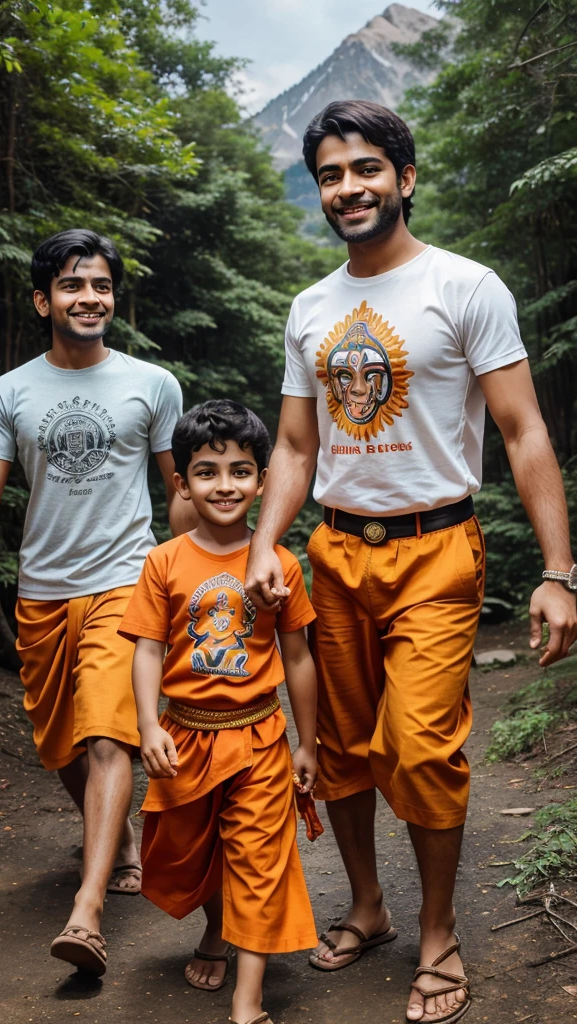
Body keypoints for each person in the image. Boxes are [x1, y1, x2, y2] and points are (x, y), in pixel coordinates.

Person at [244, 100, 577, 1024]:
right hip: (336, 548)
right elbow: (296, 448)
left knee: (423, 747)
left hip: (437, 550)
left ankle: (439, 935)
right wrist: (267, 542)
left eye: (365, 169)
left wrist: (559, 570)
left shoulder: (464, 286)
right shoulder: (310, 308)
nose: (347, 188)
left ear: (405, 177)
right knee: (344, 751)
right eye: (330, 175)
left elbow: (522, 428)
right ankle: (368, 907)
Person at [0, 228, 193, 976]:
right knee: (59, 743)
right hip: (42, 591)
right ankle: (113, 838)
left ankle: (86, 912)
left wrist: (195, 571)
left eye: (102, 286)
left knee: (111, 735)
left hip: (125, 579)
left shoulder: (153, 384)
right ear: (42, 299)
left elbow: (180, 489)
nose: (91, 298)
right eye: (75, 286)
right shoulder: (10, 391)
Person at [118, 400, 319, 1024]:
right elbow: (148, 649)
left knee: (259, 860)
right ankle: (216, 928)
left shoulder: (280, 563)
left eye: (240, 471)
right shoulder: (164, 561)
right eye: (207, 471)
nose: (225, 485)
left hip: (259, 736)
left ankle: (248, 1001)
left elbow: (299, 657)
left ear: (263, 480)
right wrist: (148, 724)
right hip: (184, 738)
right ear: (181, 483)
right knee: (193, 851)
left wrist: (307, 744)